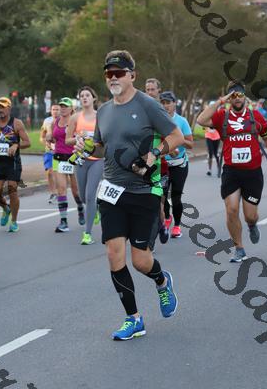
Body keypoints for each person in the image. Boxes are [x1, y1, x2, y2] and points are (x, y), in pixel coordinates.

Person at [75, 50, 184, 340]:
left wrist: (155, 153)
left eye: (119, 73)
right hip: (112, 191)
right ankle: (133, 318)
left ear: (132, 75)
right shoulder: (104, 111)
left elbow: (176, 136)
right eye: (108, 73)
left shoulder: (147, 105)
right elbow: (102, 147)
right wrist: (88, 147)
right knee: (114, 255)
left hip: (144, 190)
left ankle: (162, 281)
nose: (113, 77)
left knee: (140, 261)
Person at [196, 80, 267, 263]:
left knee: (250, 215)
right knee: (232, 210)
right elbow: (201, 120)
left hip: (253, 172)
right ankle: (239, 248)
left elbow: (266, 135)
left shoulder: (255, 115)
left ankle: (252, 225)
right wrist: (220, 101)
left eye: (240, 94)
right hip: (231, 171)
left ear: (245, 96)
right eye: (233, 95)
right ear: (229, 98)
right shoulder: (222, 116)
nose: (237, 98)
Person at [0, 97, 31, 233]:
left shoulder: (17, 123)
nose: (1, 110)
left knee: (12, 191)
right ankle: (6, 208)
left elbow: (27, 142)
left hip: (13, 164)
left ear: (9, 108)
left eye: (3, 107)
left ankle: (14, 221)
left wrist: (16, 145)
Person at [65, 86, 103, 245]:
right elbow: (67, 140)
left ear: (93, 98)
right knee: (82, 196)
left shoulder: (100, 116)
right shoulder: (75, 118)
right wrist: (78, 139)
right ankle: (95, 209)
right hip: (81, 159)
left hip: (97, 160)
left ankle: (87, 234)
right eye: (82, 96)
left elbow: (106, 138)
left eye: (87, 95)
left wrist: (95, 141)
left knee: (89, 195)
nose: (85, 98)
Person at [46, 97, 85, 232]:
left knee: (76, 191)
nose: (62, 108)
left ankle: (80, 207)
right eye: (61, 106)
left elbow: (83, 138)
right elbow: (52, 138)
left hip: (73, 158)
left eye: (65, 106)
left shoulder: (76, 121)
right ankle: (63, 221)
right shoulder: (55, 122)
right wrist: (49, 138)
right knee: (61, 189)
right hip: (58, 158)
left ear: (71, 109)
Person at [160, 91, 193, 238]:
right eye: (163, 103)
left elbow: (190, 144)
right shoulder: (157, 121)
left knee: (176, 197)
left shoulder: (181, 121)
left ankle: (177, 225)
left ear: (174, 103)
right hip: (162, 165)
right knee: (162, 195)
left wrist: (178, 140)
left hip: (179, 165)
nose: (165, 106)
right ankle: (167, 217)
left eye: (168, 103)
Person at [144, 78, 170, 244]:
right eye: (147, 89)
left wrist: (161, 151)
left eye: (152, 89)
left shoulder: (161, 112)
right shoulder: (140, 110)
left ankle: (161, 225)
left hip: (160, 167)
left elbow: (171, 137)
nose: (150, 92)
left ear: (159, 91)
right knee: (144, 204)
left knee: (157, 205)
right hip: (141, 165)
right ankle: (149, 240)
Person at [40, 104, 59, 204]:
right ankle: (53, 193)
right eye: (53, 109)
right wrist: (46, 143)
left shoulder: (64, 121)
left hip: (59, 151)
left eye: (57, 109)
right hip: (49, 151)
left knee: (57, 172)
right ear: (51, 111)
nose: (55, 111)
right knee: (49, 172)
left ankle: (60, 191)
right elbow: (42, 136)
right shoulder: (47, 121)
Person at [205, 101, 222, 177]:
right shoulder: (207, 115)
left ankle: (219, 168)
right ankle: (209, 170)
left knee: (216, 153)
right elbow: (202, 122)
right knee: (210, 153)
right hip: (209, 136)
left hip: (217, 136)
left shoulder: (218, 114)